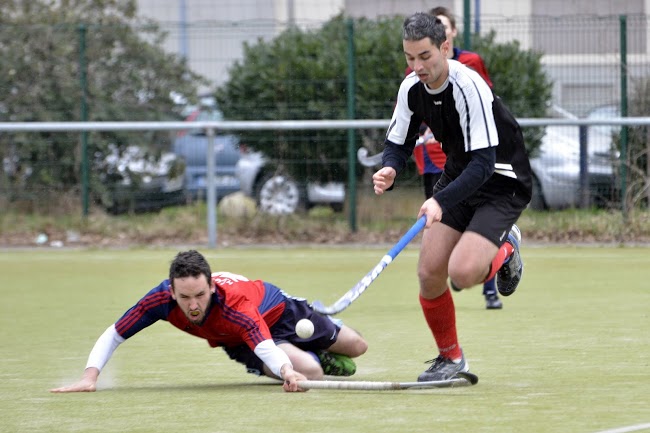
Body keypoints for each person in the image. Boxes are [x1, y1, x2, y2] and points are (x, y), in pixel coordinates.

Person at [372, 13, 531, 382]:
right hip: (460, 176)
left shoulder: (468, 85)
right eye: (410, 58)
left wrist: (440, 201)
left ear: (445, 48)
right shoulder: (411, 86)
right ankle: (451, 359)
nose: (417, 67)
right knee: (429, 274)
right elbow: (398, 141)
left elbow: (484, 163)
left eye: (425, 56)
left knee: (463, 273)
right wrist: (391, 168)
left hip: (502, 180)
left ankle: (507, 247)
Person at [50, 250, 368, 393]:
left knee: (357, 347)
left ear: (212, 287)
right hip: (240, 341)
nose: (193, 306)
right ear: (172, 291)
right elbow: (115, 333)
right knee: (310, 372)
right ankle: (314, 357)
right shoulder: (159, 301)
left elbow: (263, 340)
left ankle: (312, 344)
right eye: (184, 297)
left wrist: (285, 369)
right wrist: (90, 377)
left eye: (200, 295)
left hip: (280, 312)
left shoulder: (236, 306)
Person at [411, 6, 501, 310]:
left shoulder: (469, 67)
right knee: (439, 235)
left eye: (444, 26)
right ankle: (459, 271)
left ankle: (490, 287)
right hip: (436, 161)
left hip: (475, 162)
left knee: (478, 227)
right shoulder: (420, 67)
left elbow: (484, 105)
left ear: (449, 36)